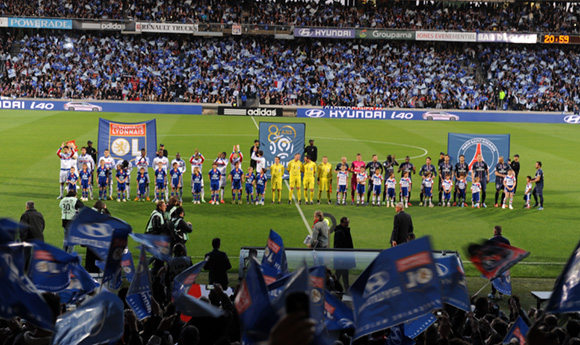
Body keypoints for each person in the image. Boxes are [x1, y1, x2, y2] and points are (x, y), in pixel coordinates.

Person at [489, 226, 510, 299]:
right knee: (501, 277)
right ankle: (501, 294)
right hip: (503, 262)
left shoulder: (491, 240)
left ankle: (493, 293)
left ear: (494, 231)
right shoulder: (506, 241)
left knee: (494, 277)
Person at [333, 217, 354, 289]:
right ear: (342, 223)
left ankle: (343, 287)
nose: (347, 224)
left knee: (342, 273)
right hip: (342, 257)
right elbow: (339, 245)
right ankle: (337, 287)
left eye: (348, 222)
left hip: (344, 256)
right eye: (346, 223)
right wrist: (340, 258)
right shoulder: (340, 232)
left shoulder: (342, 231)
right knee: (340, 273)